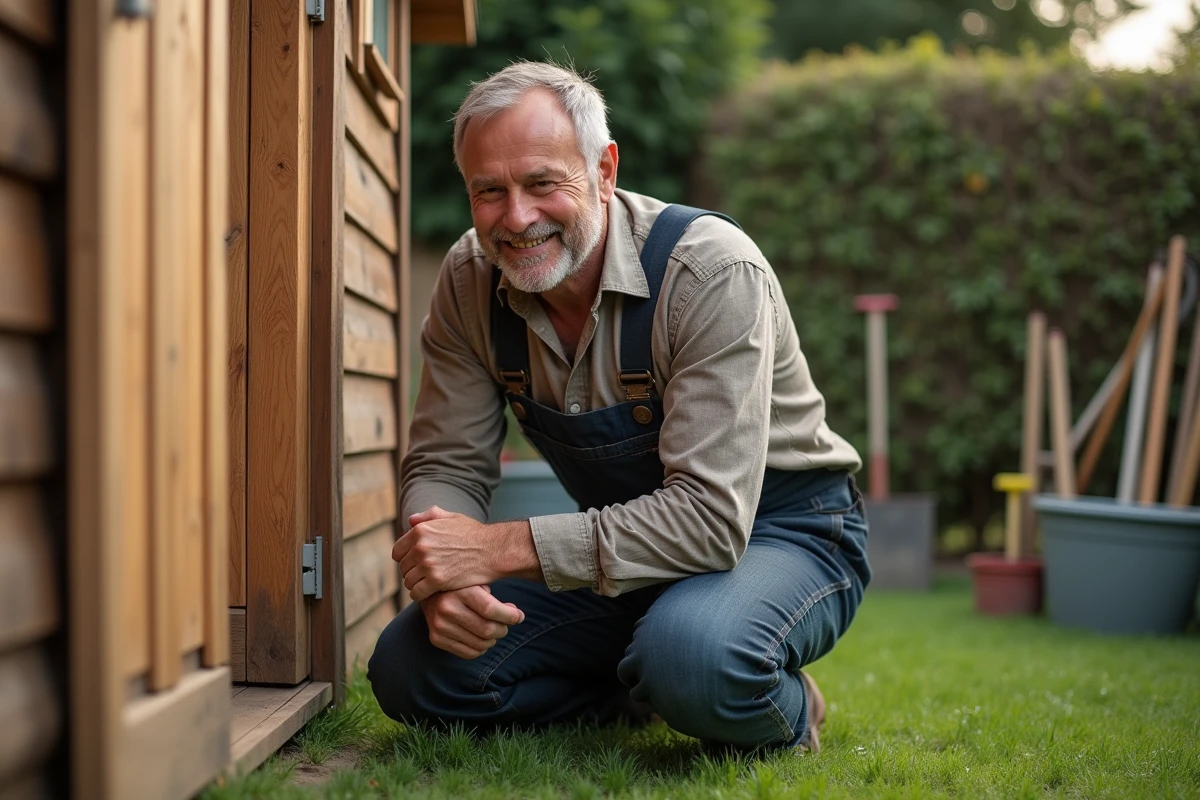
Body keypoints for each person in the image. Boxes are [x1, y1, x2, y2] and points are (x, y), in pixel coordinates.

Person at [368, 60, 870, 754]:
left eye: (543, 183)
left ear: (604, 170)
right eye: (490, 192)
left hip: (781, 531)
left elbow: (709, 521)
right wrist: (442, 577)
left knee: (696, 660)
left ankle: (775, 696)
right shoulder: (467, 282)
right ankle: (637, 687)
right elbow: (445, 460)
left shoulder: (711, 273)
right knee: (412, 669)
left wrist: (492, 550)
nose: (516, 218)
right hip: (624, 555)